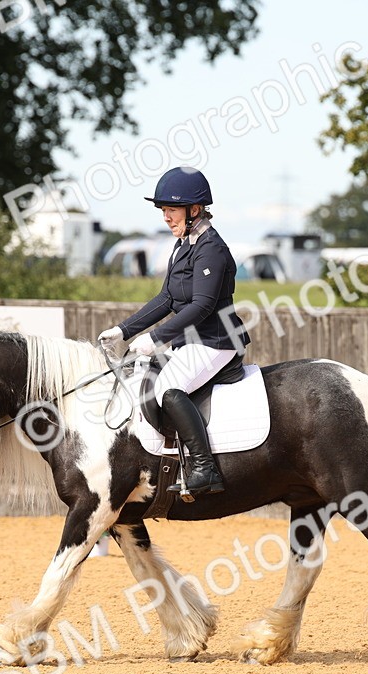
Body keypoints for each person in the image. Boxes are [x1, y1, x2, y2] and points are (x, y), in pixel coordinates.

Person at [98, 166, 250, 497]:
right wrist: (123, 330)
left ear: (194, 210)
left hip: (216, 341)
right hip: (191, 341)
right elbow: (167, 297)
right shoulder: (183, 244)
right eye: (163, 210)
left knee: (168, 387)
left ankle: (203, 468)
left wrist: (156, 337)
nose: (166, 217)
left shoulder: (212, 248)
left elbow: (202, 306)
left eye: (171, 210)